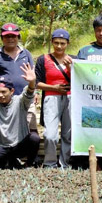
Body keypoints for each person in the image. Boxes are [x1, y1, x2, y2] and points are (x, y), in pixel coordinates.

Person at [0, 23, 41, 163]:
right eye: (7, 36)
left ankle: (30, 161)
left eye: (13, 36)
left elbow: (31, 74)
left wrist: (35, 91)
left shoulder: (26, 53)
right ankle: (11, 159)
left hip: (25, 99)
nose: (10, 39)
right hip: (6, 102)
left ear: (18, 37)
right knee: (10, 132)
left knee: (30, 131)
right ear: (2, 38)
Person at [35, 29, 72, 169]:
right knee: (50, 134)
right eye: (56, 43)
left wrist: (70, 67)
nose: (59, 46)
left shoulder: (72, 59)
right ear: (52, 42)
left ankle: (65, 164)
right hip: (51, 98)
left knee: (68, 134)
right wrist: (54, 88)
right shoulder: (43, 59)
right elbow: (37, 82)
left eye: (62, 43)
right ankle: (50, 163)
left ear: (68, 43)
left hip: (70, 98)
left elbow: (80, 80)